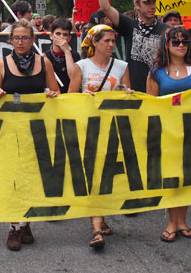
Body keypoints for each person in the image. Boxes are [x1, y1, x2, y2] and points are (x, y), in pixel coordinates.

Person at [0, 18, 60, 251]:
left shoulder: (44, 62)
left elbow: (55, 90)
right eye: (16, 38)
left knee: (31, 177)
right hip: (10, 130)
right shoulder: (2, 64)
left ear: (33, 40)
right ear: (11, 40)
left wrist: (52, 95)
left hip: (37, 129)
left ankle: (26, 222)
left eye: (25, 38)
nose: (20, 42)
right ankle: (14, 227)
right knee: (14, 179)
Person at [147, 27, 191, 242]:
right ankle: (171, 222)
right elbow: (150, 104)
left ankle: (182, 221)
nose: (180, 45)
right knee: (171, 177)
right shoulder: (156, 71)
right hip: (167, 132)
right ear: (166, 45)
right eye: (175, 42)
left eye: (184, 41)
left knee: (188, 176)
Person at [68, 24, 132, 249]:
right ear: (94, 42)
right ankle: (96, 228)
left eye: (113, 41)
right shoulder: (81, 66)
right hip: (89, 129)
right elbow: (70, 98)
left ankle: (101, 219)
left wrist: (127, 94)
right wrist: (82, 96)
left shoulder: (122, 66)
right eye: (106, 41)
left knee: (109, 175)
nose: (111, 45)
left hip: (114, 129)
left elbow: (127, 96)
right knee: (94, 176)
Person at [91, 0, 169, 92]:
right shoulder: (129, 26)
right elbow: (105, 7)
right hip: (133, 90)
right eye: (147, 2)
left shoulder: (165, 29)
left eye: (153, 2)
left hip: (159, 91)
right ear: (137, 5)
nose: (152, 6)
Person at [44, 18, 80, 93]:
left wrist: (67, 51)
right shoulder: (45, 56)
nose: (61, 37)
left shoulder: (74, 55)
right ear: (51, 36)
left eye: (65, 35)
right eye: (58, 34)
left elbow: (73, 77)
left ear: (69, 38)